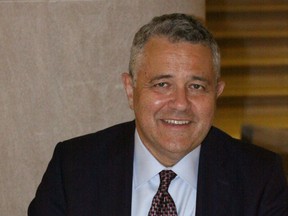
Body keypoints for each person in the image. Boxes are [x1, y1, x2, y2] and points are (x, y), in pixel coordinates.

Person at [28, 13, 288, 216]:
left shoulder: (260, 179)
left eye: (196, 86)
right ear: (130, 90)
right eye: (162, 84)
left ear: (217, 93)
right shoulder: (73, 169)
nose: (180, 103)